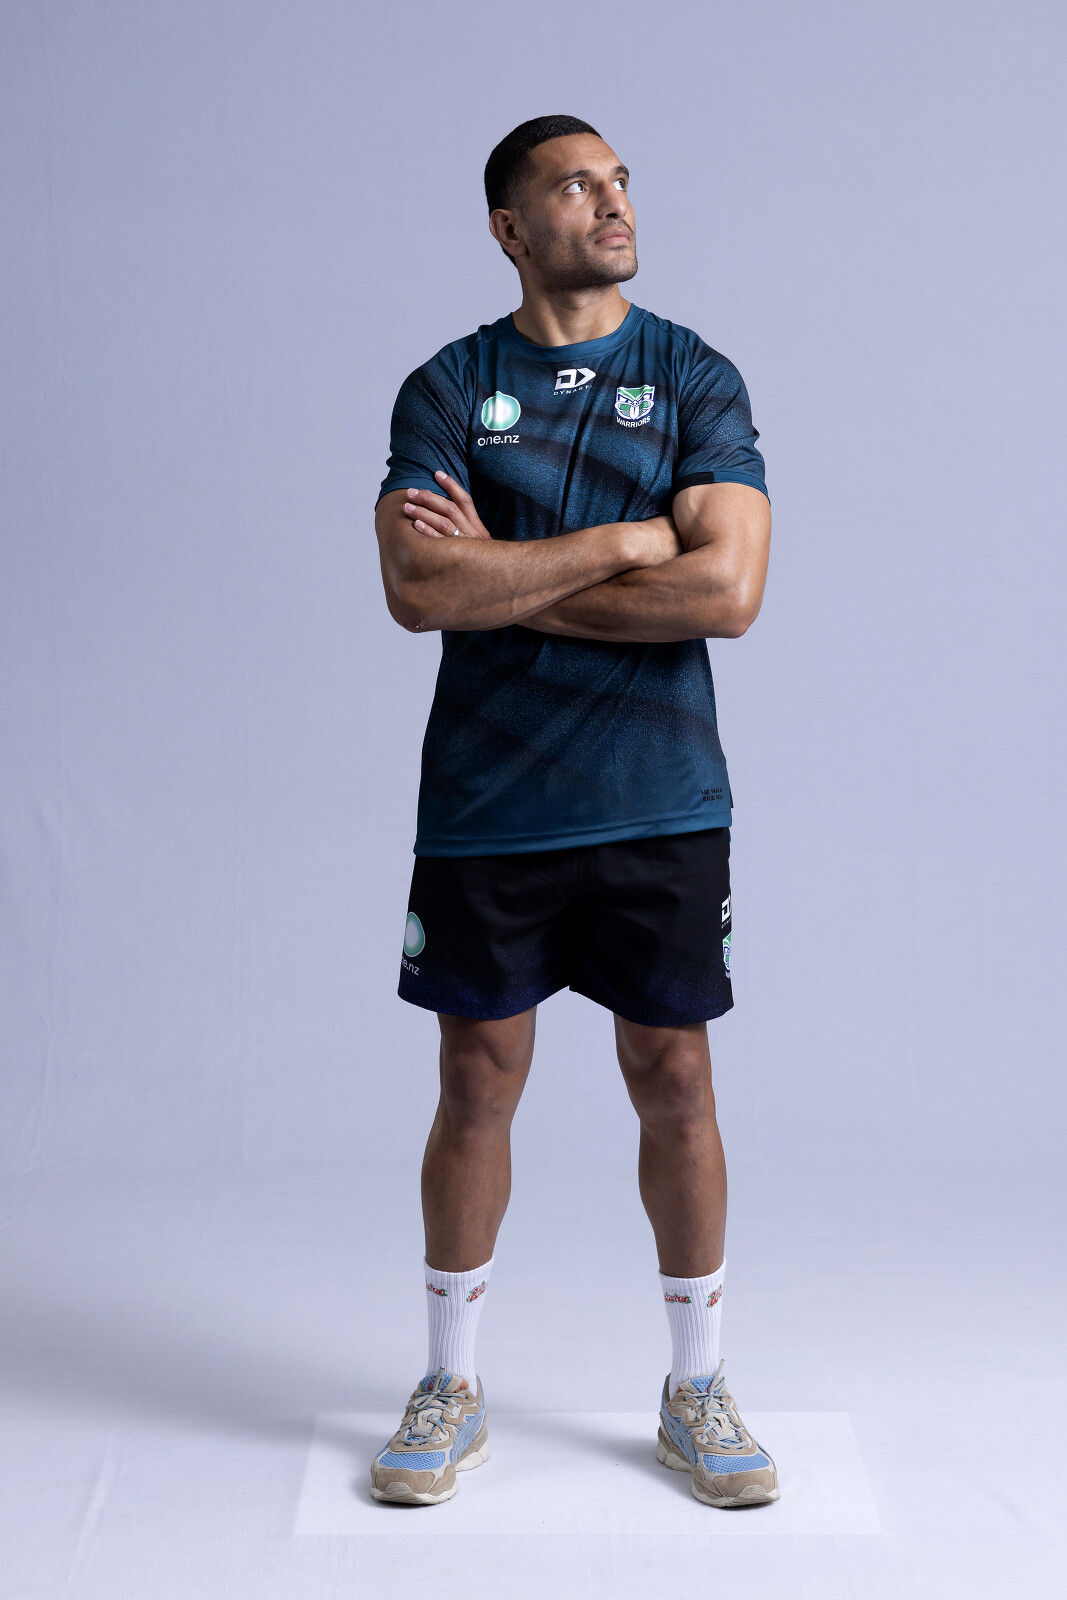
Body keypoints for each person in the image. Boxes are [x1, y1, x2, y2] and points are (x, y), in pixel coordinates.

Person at [369, 115, 777, 1510]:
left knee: (677, 1077)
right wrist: (617, 542)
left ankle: (697, 1387)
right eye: (574, 185)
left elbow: (728, 591)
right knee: (477, 1080)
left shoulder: (694, 373)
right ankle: (449, 1384)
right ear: (510, 227)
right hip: (489, 802)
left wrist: (509, 574)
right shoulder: (448, 386)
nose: (611, 201)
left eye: (619, 181)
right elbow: (419, 589)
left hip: (660, 797)